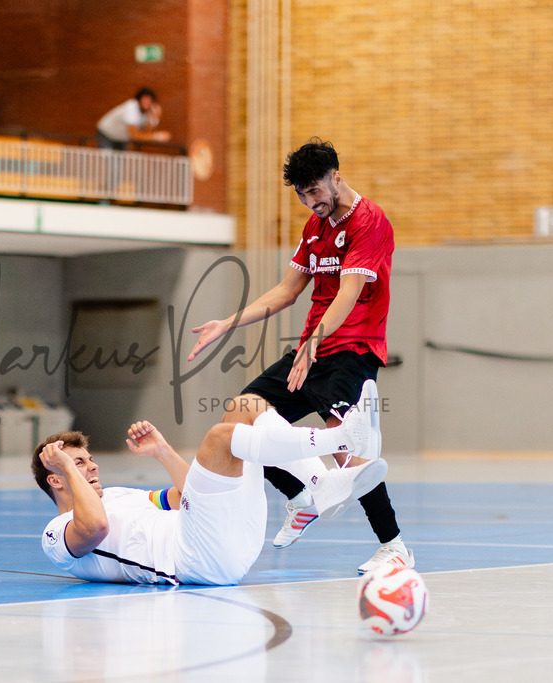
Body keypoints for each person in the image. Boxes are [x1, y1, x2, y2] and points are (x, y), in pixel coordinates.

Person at [187, 138, 414, 574]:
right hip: (312, 347)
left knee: (349, 450)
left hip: (352, 346)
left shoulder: (370, 221)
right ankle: (301, 495)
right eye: (302, 195)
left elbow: (349, 293)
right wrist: (228, 323)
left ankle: (394, 546)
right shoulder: (315, 228)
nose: (312, 202)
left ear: (336, 178)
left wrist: (313, 344)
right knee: (239, 418)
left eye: (315, 191)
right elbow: (288, 291)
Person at [34, 380, 385, 585]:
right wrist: (65, 461)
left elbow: (187, 495)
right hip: (195, 558)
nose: (93, 467)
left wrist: (164, 452)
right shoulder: (57, 533)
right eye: (80, 463)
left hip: (226, 537)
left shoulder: (116, 494)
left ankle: (320, 483)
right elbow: (94, 525)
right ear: (56, 479)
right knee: (220, 438)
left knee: (246, 405)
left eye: (90, 459)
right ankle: (342, 439)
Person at [95, 87, 171, 150]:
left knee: (118, 164)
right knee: (110, 161)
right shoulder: (131, 107)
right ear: (139, 99)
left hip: (121, 138)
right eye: (145, 99)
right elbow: (135, 135)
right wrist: (157, 136)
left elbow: (145, 132)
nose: (147, 102)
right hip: (106, 134)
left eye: (150, 100)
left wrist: (154, 118)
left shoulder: (146, 113)